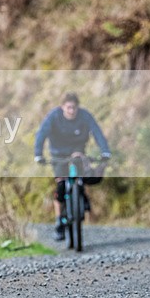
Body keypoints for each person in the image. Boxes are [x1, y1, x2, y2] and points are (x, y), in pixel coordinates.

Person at [34, 92, 111, 240]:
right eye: (68, 107)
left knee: (82, 177)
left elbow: (97, 132)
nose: (71, 111)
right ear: (62, 107)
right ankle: (59, 222)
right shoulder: (53, 117)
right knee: (61, 187)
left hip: (77, 152)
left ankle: (81, 196)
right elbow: (41, 134)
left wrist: (105, 151)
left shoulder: (85, 116)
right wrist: (38, 154)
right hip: (58, 155)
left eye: (74, 108)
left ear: (78, 107)